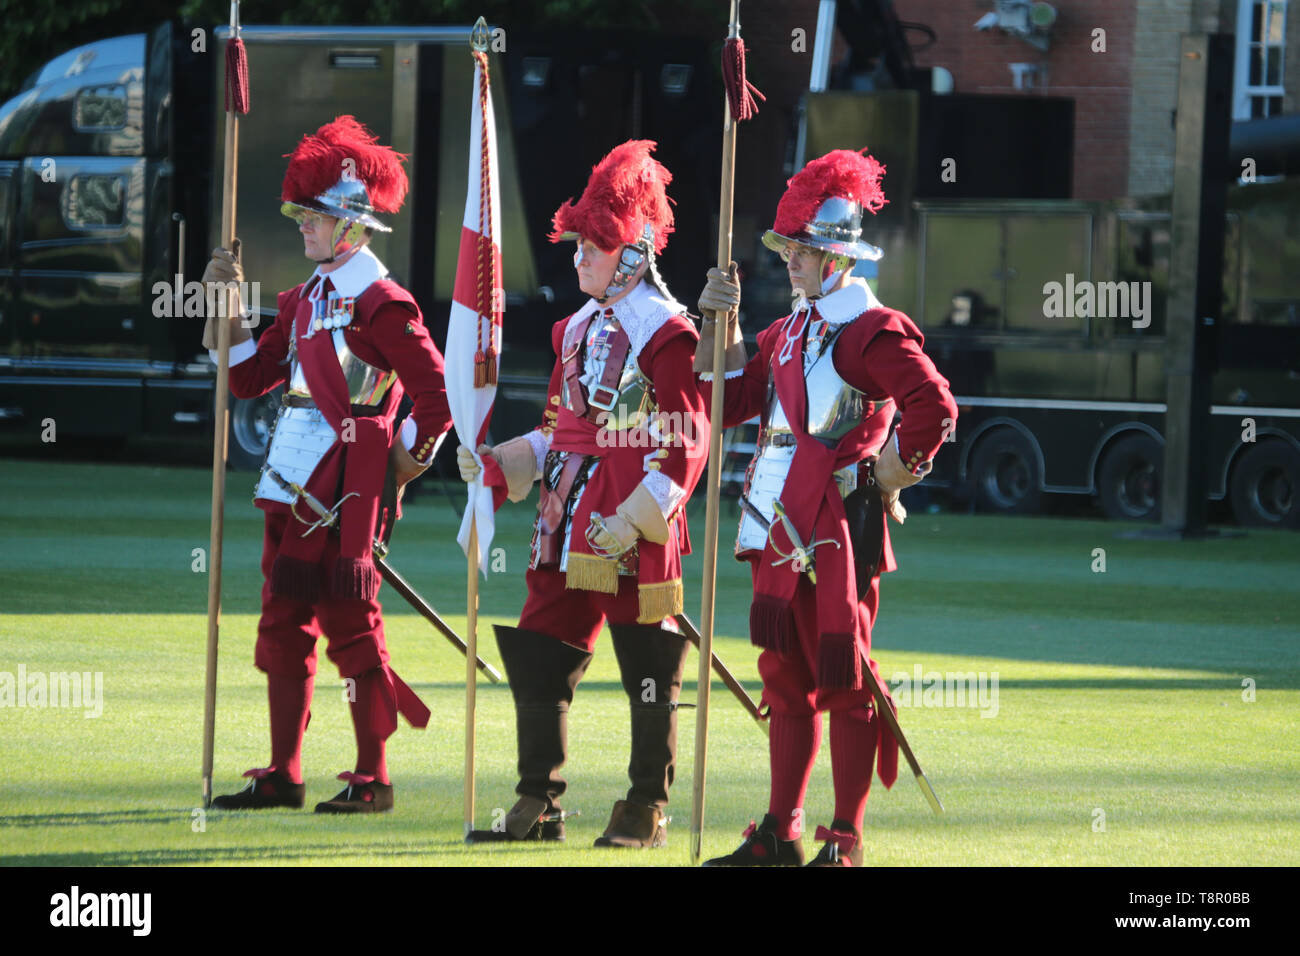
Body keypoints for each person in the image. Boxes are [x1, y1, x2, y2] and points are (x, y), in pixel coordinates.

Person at [695, 149, 957, 866]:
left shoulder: (871, 329)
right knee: (785, 683)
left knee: (843, 683)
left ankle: (844, 839)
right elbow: (730, 402)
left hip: (838, 529)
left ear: (837, 257)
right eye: (788, 248)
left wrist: (890, 475)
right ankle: (780, 832)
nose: (791, 261)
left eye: (804, 250)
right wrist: (717, 324)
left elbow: (933, 405)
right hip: (774, 522)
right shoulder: (786, 330)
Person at [458, 140, 708, 848]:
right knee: (538, 654)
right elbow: (555, 429)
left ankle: (646, 805)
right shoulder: (571, 329)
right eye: (577, 246)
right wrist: (502, 459)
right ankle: (538, 799)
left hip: (631, 531)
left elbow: (688, 444)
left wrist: (635, 520)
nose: (578, 259)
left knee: (648, 669)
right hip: (563, 522)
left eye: (593, 247)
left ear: (633, 253)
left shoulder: (670, 337)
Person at [202, 116, 453, 814]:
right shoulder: (307, 297)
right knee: (282, 626)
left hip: (344, 497)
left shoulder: (383, 302)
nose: (301, 226)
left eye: (313, 216)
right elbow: (248, 377)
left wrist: (397, 468)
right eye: (301, 214)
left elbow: (438, 398)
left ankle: (373, 777)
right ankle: (284, 771)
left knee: (352, 629)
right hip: (288, 482)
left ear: (350, 225)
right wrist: (223, 302)